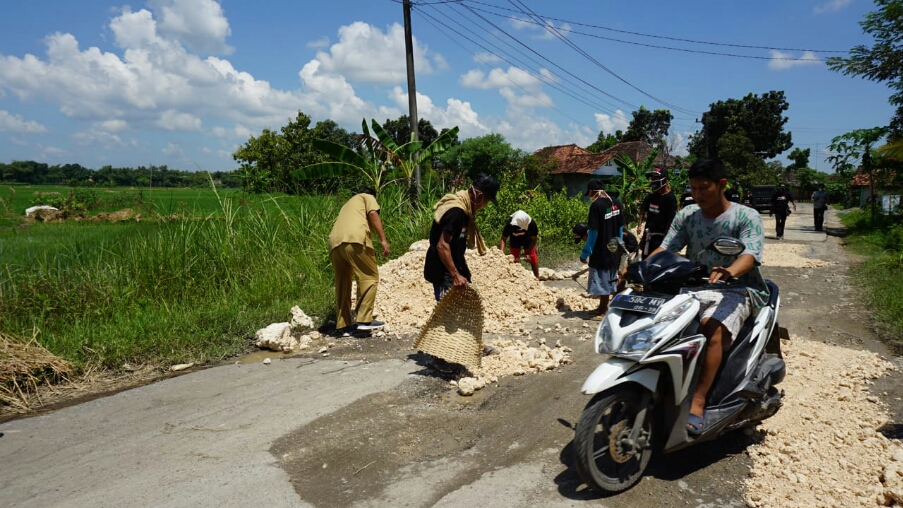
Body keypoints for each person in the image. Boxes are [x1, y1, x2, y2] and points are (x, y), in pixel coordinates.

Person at [648, 158, 769, 436]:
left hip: (739, 287)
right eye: (693, 188)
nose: (698, 195)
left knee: (711, 327)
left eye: (704, 188)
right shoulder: (687, 214)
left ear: (721, 185)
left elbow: (750, 255)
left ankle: (699, 401)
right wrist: (639, 269)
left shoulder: (746, 216)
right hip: (696, 285)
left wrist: (729, 271)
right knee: (661, 322)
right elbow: (667, 248)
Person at [423, 173, 500, 371]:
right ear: (478, 195)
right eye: (487, 201)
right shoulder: (456, 212)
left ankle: (469, 346)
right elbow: (442, 246)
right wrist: (455, 275)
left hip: (456, 266)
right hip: (443, 270)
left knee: (464, 310)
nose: (486, 205)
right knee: (447, 312)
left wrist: (463, 272)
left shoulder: (465, 211)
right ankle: (438, 357)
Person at [328, 188, 390, 336]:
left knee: (343, 282)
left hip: (334, 243)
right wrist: (383, 240)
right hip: (354, 239)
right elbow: (373, 213)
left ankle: (343, 325)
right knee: (369, 277)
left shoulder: (348, 204)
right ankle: (364, 321)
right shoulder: (367, 196)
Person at [579, 180, 625, 317]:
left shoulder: (596, 206)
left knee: (602, 279)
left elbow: (593, 232)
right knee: (610, 278)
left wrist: (586, 252)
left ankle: (603, 309)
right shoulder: (617, 202)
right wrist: (619, 246)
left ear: (593, 192)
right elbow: (620, 228)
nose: (590, 196)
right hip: (614, 248)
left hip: (601, 249)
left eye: (590, 193)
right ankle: (603, 307)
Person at [636, 167, 677, 260]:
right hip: (648, 236)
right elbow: (643, 210)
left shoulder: (670, 199)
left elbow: (670, 221)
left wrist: (665, 241)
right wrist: (640, 227)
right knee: (645, 261)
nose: (653, 181)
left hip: (661, 238)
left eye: (655, 179)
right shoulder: (651, 197)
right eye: (652, 179)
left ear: (665, 180)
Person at [500, 210, 540, 278]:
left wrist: (529, 253)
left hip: (527, 238)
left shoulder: (531, 225)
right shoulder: (509, 224)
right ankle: (516, 277)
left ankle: (537, 277)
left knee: (532, 257)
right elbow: (503, 239)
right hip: (514, 239)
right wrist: (500, 253)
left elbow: (534, 239)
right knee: (514, 257)